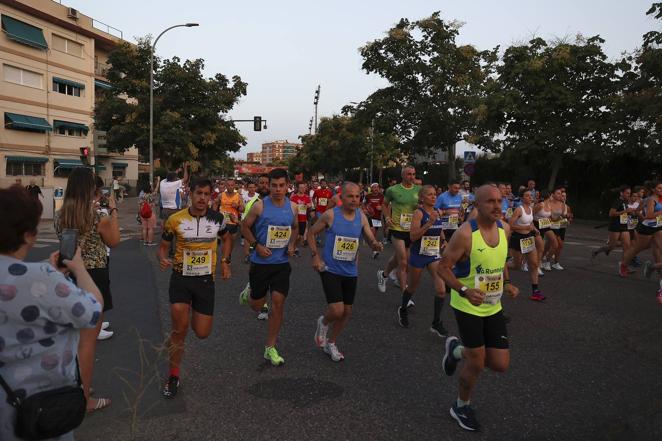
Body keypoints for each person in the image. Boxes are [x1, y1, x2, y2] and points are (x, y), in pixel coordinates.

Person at [0, 185, 104, 441]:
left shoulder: (40, 277)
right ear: (28, 235)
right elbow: (91, 310)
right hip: (42, 408)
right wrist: (79, 269)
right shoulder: (40, 278)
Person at [438, 184, 519, 432]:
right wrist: (463, 290)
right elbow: (443, 268)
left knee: (500, 363)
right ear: (477, 205)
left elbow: (501, 260)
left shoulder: (505, 229)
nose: (497, 206)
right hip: (467, 304)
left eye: (500, 201)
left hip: (493, 305)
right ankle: (461, 406)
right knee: (476, 362)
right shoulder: (464, 234)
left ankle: (455, 351)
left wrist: (506, 283)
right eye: (490, 202)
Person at [158, 177, 232, 398]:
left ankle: (189, 314)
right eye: (198, 193)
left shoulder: (217, 219)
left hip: (205, 281)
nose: (202, 198)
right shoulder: (174, 220)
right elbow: (162, 248)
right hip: (181, 278)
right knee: (179, 330)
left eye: (206, 194)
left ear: (211, 196)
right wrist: (162, 258)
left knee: (201, 332)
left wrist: (225, 262)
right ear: (190, 194)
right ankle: (173, 375)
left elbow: (227, 239)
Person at [54, 168, 120, 412]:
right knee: (87, 343)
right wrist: (113, 210)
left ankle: (78, 385)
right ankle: (84, 400)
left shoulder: (60, 216)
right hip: (94, 278)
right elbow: (114, 241)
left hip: (68, 274)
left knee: (72, 339)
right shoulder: (97, 216)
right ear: (91, 189)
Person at [308, 182, 383, 361]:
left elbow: (369, 236)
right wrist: (315, 256)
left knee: (347, 312)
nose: (354, 200)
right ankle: (323, 322)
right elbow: (311, 233)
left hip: (350, 270)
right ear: (341, 197)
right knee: (336, 310)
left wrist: (375, 244)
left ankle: (331, 343)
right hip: (330, 269)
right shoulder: (330, 215)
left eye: (357, 196)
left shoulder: (361, 216)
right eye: (350, 196)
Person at [239, 168, 298, 366]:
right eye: (274, 185)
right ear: (268, 185)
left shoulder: (293, 208)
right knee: (257, 305)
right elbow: (244, 226)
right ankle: (250, 292)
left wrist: (291, 244)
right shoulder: (259, 206)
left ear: (288, 186)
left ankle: (270, 347)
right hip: (260, 263)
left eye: (282, 186)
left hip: (281, 264)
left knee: (278, 303)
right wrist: (257, 246)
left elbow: (296, 227)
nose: (277, 189)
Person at [401, 185, 447, 334]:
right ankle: (402, 309)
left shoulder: (436, 212)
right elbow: (413, 237)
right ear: (422, 198)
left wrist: (444, 240)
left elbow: (439, 228)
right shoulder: (418, 213)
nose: (433, 197)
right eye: (429, 195)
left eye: (435, 194)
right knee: (413, 287)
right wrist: (429, 223)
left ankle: (436, 322)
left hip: (433, 254)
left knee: (441, 290)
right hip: (419, 255)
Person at [377, 166, 420, 293]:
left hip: (412, 229)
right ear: (402, 175)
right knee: (403, 262)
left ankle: (384, 274)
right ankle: (405, 295)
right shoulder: (393, 190)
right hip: (397, 228)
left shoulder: (419, 190)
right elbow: (384, 205)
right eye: (409, 174)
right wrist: (387, 218)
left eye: (413, 174)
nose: (411, 177)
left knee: (399, 257)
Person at [239, 174, 271, 320]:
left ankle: (251, 285)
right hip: (258, 246)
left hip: (275, 249)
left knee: (271, 279)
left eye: (267, 183)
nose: (264, 185)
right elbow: (245, 226)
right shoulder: (253, 203)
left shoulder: (279, 203)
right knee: (262, 279)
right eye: (262, 183)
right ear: (258, 186)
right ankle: (263, 306)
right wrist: (251, 247)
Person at [508, 189, 544, 301]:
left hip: (528, 238)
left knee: (533, 265)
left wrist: (534, 228)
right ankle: (502, 266)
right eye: (527, 196)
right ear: (522, 198)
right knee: (516, 266)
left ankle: (535, 291)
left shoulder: (531, 209)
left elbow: (530, 222)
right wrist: (524, 228)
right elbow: (510, 225)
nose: (530, 197)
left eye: (531, 195)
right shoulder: (519, 209)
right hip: (518, 239)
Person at [622, 182, 662, 279]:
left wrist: (638, 212)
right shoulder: (651, 200)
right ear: (653, 189)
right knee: (637, 248)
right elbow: (649, 215)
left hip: (658, 226)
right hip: (647, 228)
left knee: (658, 248)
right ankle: (623, 266)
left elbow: (637, 209)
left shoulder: (657, 198)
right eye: (660, 188)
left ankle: (657, 270)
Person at [591, 186, 635, 270]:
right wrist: (625, 211)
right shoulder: (617, 201)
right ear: (621, 193)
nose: (629, 195)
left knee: (627, 246)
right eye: (627, 193)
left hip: (624, 226)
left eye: (630, 193)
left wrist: (630, 213)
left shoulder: (626, 202)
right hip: (615, 226)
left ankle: (623, 266)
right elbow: (611, 214)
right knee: (611, 246)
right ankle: (596, 251)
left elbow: (625, 213)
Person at [215, 178, 244, 259]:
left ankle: (228, 254)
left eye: (232, 185)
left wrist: (238, 206)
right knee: (224, 241)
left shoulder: (238, 196)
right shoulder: (221, 195)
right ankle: (225, 257)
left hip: (233, 222)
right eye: (228, 185)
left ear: (234, 186)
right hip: (223, 222)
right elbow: (215, 205)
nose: (230, 187)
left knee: (232, 242)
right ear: (226, 186)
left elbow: (243, 209)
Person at [159, 163, 190, 228]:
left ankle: (165, 236)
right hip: (174, 210)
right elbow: (185, 178)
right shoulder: (176, 184)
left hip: (164, 210)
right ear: (174, 179)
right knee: (176, 227)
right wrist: (185, 168)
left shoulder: (162, 183)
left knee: (165, 227)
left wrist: (177, 171)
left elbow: (170, 176)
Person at [290, 182, 314, 256]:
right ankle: (293, 249)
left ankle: (294, 247)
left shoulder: (307, 197)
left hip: (303, 219)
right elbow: (290, 208)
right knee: (295, 235)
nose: (302, 189)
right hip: (295, 219)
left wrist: (309, 207)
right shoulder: (293, 198)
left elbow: (310, 207)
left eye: (304, 187)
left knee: (300, 236)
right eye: (301, 187)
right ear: (297, 188)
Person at [364, 183, 385, 253]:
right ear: (371, 188)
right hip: (369, 216)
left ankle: (368, 239)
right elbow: (363, 204)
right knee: (372, 232)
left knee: (374, 233)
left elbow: (385, 206)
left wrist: (381, 208)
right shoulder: (368, 196)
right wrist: (365, 210)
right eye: (374, 187)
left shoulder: (382, 196)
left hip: (377, 217)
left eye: (377, 187)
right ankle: (374, 250)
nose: (376, 189)